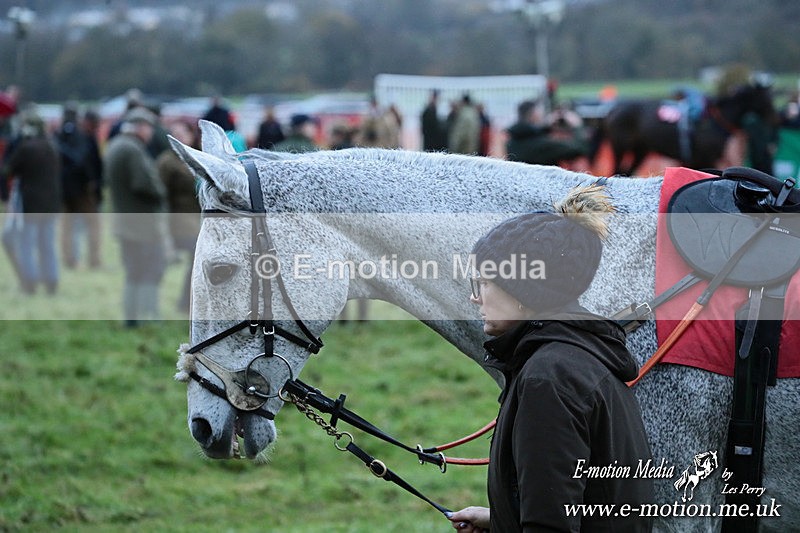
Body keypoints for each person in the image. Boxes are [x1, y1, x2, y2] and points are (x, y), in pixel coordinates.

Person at [450, 185, 653, 532]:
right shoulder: (580, 356)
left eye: (483, 282)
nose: (475, 298)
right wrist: (502, 521)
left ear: (522, 290)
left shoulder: (549, 379)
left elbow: (550, 526)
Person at [104, 107, 168, 327]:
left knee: (134, 271)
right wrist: (161, 191)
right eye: (149, 127)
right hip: (142, 223)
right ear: (140, 127)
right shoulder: (133, 149)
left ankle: (133, 317)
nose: (151, 132)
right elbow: (144, 183)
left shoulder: (116, 145)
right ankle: (146, 315)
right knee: (150, 269)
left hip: (126, 221)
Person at [3, 111, 62, 294]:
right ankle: (51, 282)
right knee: (47, 245)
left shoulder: (26, 148)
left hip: (31, 204)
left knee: (26, 245)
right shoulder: (52, 146)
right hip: (51, 204)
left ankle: (30, 283)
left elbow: (7, 171)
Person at [157, 120, 200, 313]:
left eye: (183, 133)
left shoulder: (196, 157)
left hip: (197, 219)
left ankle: (187, 302)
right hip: (178, 220)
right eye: (175, 134)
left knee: (195, 264)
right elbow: (160, 195)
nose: (180, 138)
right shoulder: (166, 162)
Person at [56, 104, 103, 269]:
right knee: (93, 225)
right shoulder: (81, 136)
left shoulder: (58, 135)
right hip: (82, 188)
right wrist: (93, 184)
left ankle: (69, 260)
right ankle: (94, 260)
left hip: (64, 187)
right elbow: (83, 162)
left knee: (67, 227)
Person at [506, 100, 588, 166]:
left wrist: (546, 127)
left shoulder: (513, 139)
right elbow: (579, 148)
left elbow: (531, 133)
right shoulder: (542, 145)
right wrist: (577, 125)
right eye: (541, 113)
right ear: (534, 116)